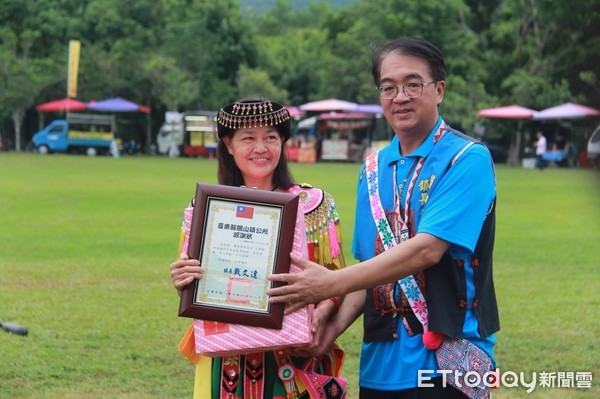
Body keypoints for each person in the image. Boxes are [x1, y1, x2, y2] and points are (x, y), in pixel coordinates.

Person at [268, 37, 500, 398]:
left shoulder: (467, 159)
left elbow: (427, 251)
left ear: (439, 90)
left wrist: (329, 284)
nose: (400, 97)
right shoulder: (373, 169)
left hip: (448, 363)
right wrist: (330, 331)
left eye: (412, 84)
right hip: (380, 367)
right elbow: (369, 271)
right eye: (388, 87)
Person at [169, 97, 348, 399]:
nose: (261, 148)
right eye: (248, 138)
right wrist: (182, 279)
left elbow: (339, 279)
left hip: (295, 355)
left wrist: (324, 310)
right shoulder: (206, 209)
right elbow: (194, 285)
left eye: (271, 138)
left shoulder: (314, 205)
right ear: (228, 145)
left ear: (283, 143)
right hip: (226, 360)